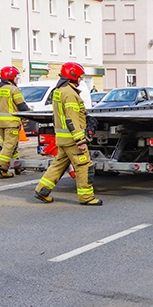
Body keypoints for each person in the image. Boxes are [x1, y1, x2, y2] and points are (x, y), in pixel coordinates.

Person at [34, 62, 102, 206]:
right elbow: (71, 118)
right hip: (72, 140)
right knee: (84, 165)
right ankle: (86, 197)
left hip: (62, 138)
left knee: (58, 165)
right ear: (73, 76)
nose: (80, 80)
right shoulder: (70, 94)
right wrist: (80, 140)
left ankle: (42, 190)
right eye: (80, 77)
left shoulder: (59, 90)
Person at [0, 66, 29, 178]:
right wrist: (28, 116)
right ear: (11, 77)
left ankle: (17, 166)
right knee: (9, 145)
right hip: (11, 123)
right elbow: (22, 106)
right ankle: (2, 167)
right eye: (16, 77)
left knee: (10, 144)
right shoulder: (14, 90)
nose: (17, 79)